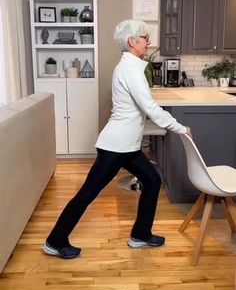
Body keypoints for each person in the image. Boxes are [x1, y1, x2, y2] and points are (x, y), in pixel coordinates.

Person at [43, 19, 192, 259]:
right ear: (132, 42)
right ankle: (55, 240)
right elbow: (150, 107)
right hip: (116, 146)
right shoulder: (129, 70)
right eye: (145, 37)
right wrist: (180, 128)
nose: (148, 41)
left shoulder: (131, 66)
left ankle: (140, 235)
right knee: (88, 193)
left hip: (127, 146)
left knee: (152, 181)